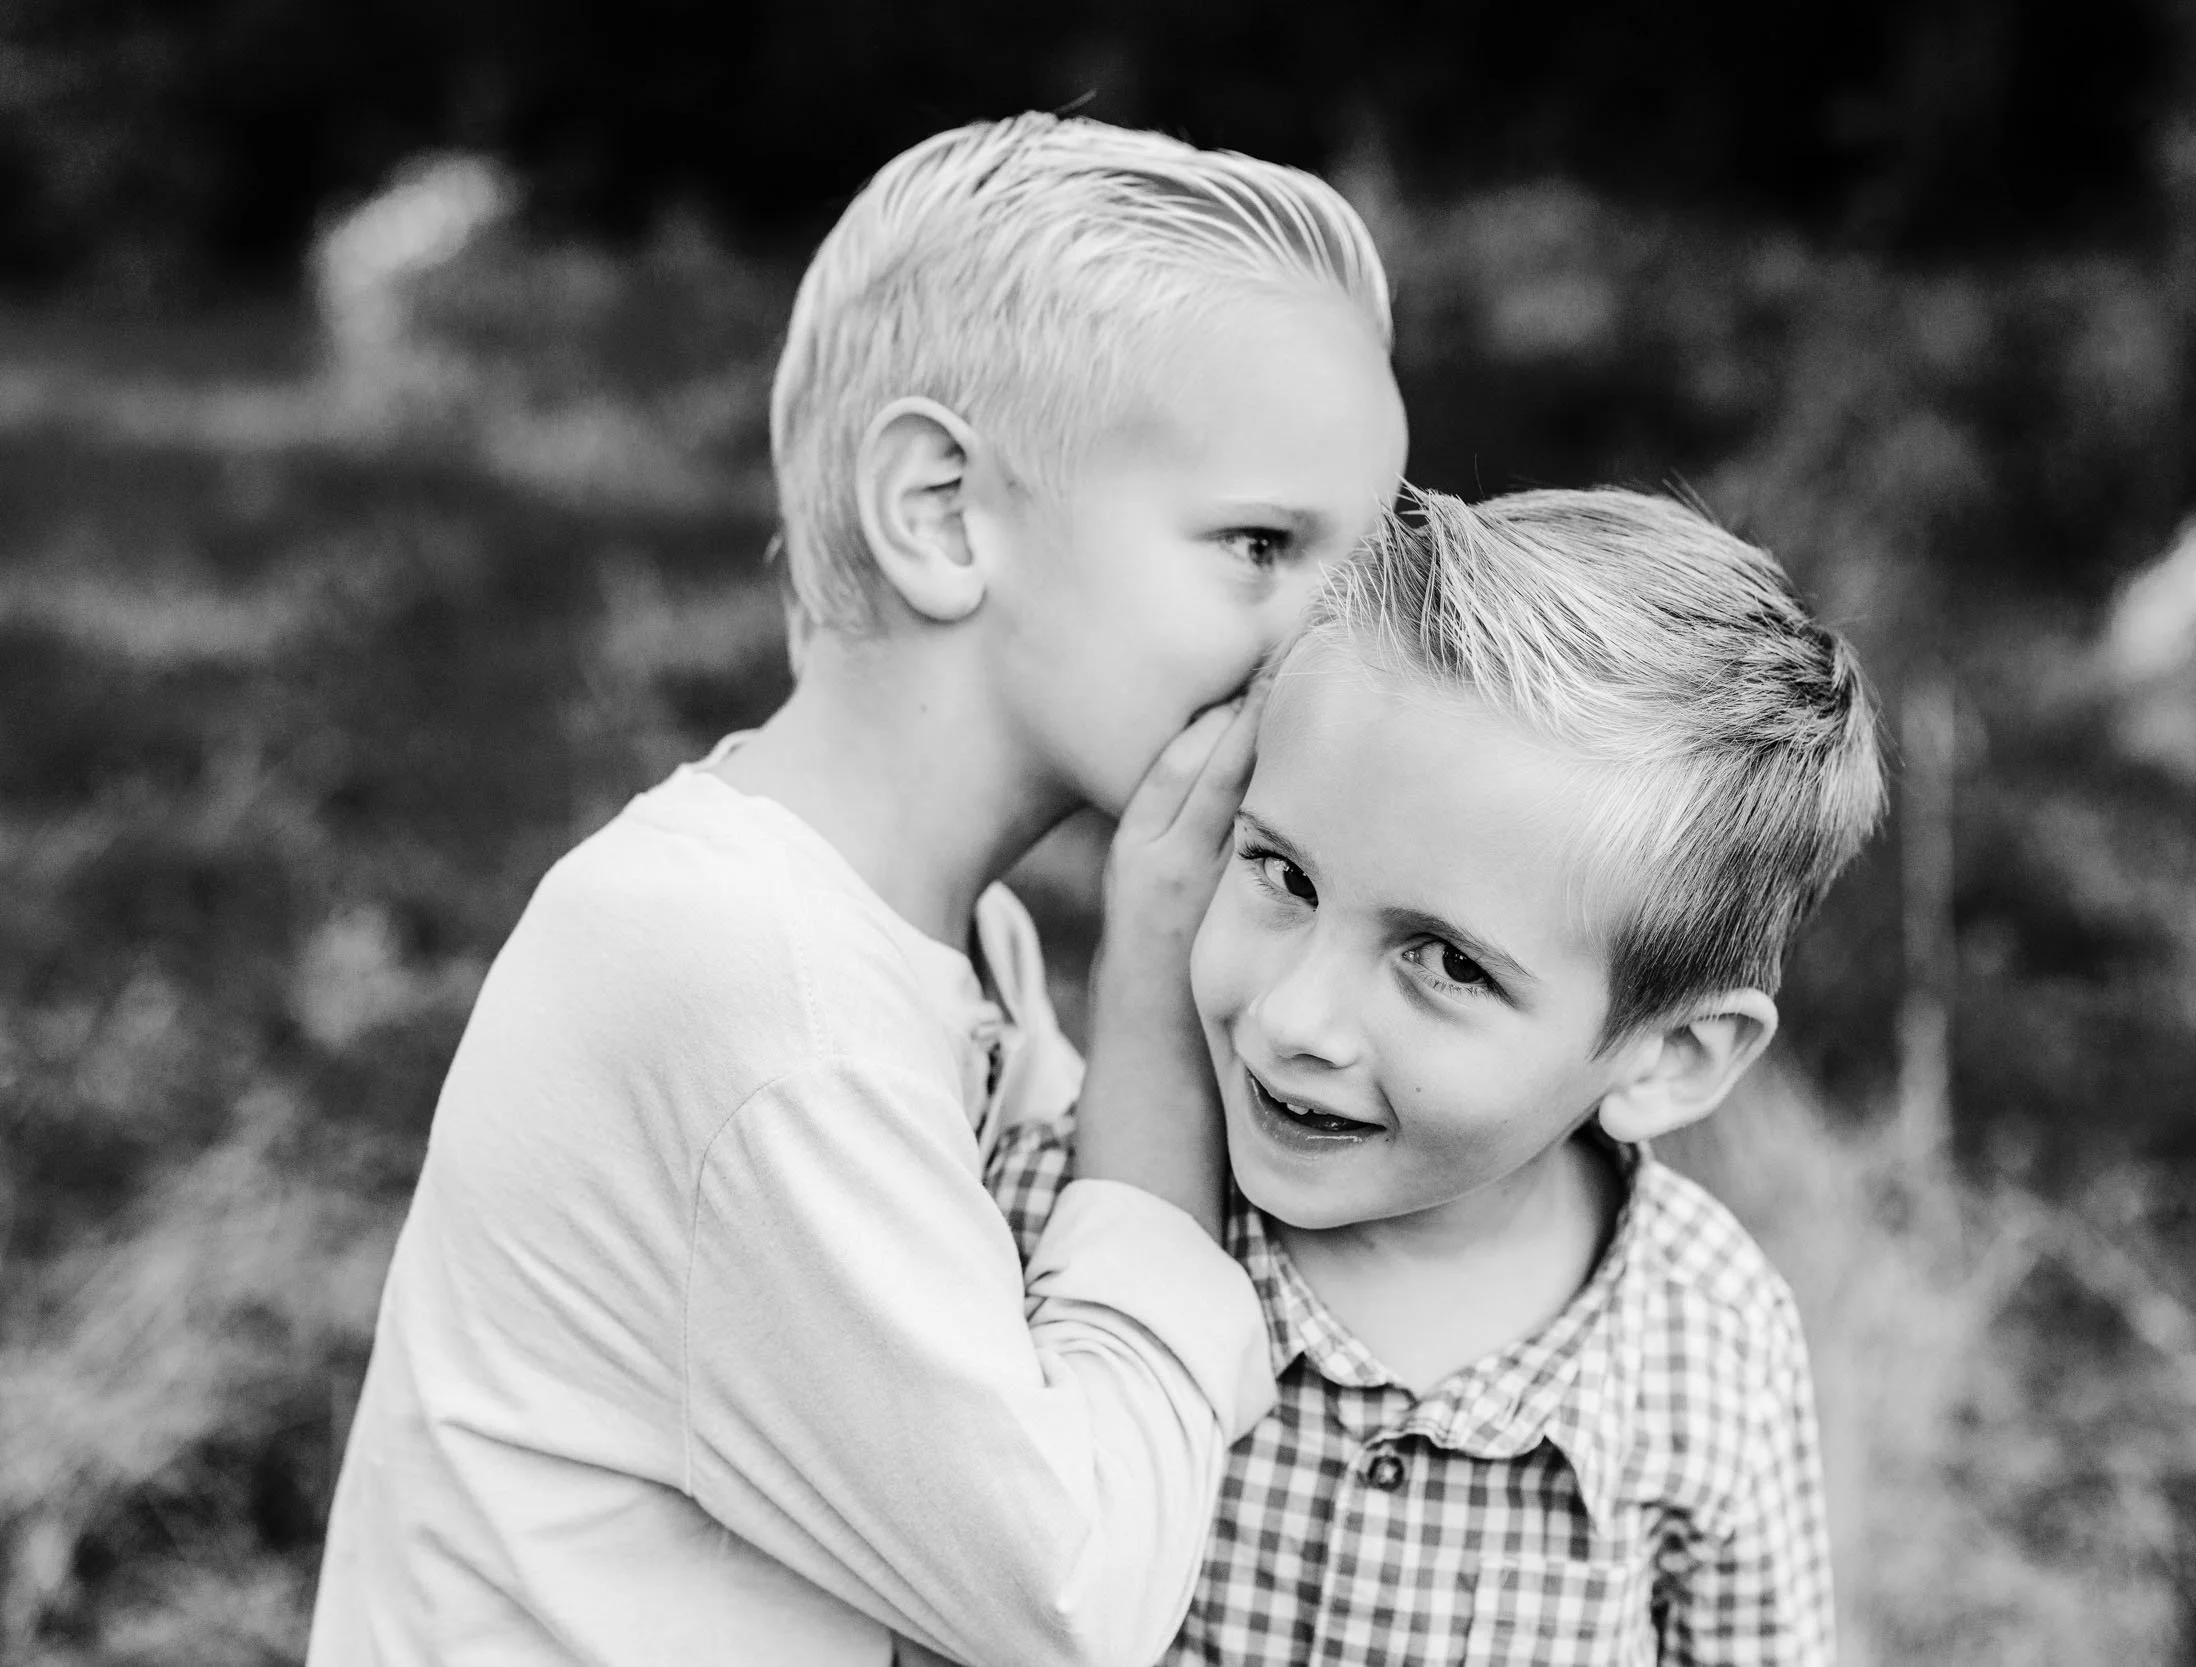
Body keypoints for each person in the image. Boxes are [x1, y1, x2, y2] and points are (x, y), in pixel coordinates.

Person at [307, 113, 1408, 1667]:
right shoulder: (763, 986)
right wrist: (1156, 1000)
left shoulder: (938, 939)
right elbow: (1073, 1591)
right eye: (1261, 544)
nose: (1331, 644)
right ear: (941, 512)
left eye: (1356, 573)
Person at [990, 487, 1886, 1665]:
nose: (1293, 1016)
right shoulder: (1050, 1218)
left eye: (1449, 963)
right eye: (1284, 876)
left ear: (1669, 1058)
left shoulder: (1709, 1339)